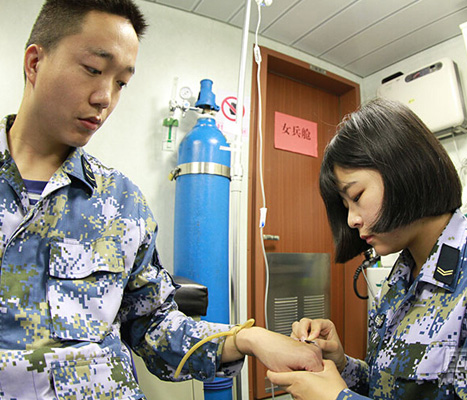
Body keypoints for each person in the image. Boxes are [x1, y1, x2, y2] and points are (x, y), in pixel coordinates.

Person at [0, 1, 322, 398]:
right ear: (35, 62)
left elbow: (151, 323)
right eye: (93, 69)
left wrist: (247, 338)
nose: (105, 98)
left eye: (121, 83)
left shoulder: (120, 202)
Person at [267, 98, 467, 400]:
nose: (351, 219)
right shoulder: (401, 276)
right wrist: (341, 365)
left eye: (357, 195)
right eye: (345, 206)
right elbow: (389, 387)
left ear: (404, 172)